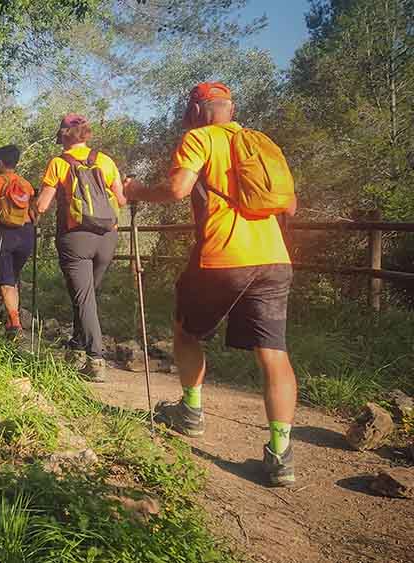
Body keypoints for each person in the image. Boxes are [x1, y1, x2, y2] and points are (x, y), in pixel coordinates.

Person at [123, 82, 298, 487]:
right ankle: (281, 454)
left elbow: (178, 188)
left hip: (222, 256)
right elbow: (290, 203)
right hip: (274, 257)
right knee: (274, 353)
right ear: (230, 108)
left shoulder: (199, 138)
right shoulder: (261, 142)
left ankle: (191, 411)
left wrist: (137, 191)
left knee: (186, 331)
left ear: (199, 111)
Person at [35, 114, 127, 382]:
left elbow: (42, 205)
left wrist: (32, 208)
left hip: (76, 237)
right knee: (86, 295)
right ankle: (76, 348)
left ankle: (96, 358)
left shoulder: (58, 163)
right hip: (107, 237)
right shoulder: (105, 160)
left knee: (83, 297)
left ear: (63, 135)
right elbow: (120, 199)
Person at [0, 145, 36, 339]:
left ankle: (15, 324)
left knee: (6, 279)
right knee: (13, 278)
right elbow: (35, 214)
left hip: (2, 233)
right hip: (26, 234)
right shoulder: (26, 184)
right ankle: (11, 321)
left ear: (1, 162)